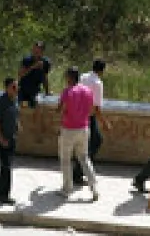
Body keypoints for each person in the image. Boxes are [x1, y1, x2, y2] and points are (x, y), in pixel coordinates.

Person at [57, 67, 99, 200]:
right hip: (84, 128)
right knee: (84, 158)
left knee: (66, 160)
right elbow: (92, 110)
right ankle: (94, 188)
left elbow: (60, 109)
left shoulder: (67, 92)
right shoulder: (87, 91)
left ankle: (67, 189)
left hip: (69, 129)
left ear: (69, 77)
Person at [73, 58, 109, 186]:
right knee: (96, 141)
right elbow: (97, 107)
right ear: (102, 70)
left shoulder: (83, 77)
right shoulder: (97, 83)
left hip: (77, 114)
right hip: (89, 116)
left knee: (86, 143)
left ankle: (79, 170)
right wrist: (104, 122)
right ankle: (80, 171)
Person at [0, 77, 19, 205]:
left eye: (17, 86)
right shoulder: (0, 102)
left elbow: (15, 114)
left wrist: (18, 126)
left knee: (5, 166)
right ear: (7, 88)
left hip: (12, 137)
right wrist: (1, 139)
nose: (16, 89)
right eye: (13, 87)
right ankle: (4, 195)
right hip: (3, 139)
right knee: (7, 167)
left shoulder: (14, 99)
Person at [17, 41, 52, 108]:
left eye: (38, 51)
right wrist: (33, 67)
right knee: (20, 109)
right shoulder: (27, 60)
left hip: (35, 91)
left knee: (35, 108)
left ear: (42, 52)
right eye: (34, 50)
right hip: (23, 89)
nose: (35, 52)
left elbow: (44, 77)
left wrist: (47, 91)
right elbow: (20, 74)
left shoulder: (46, 62)